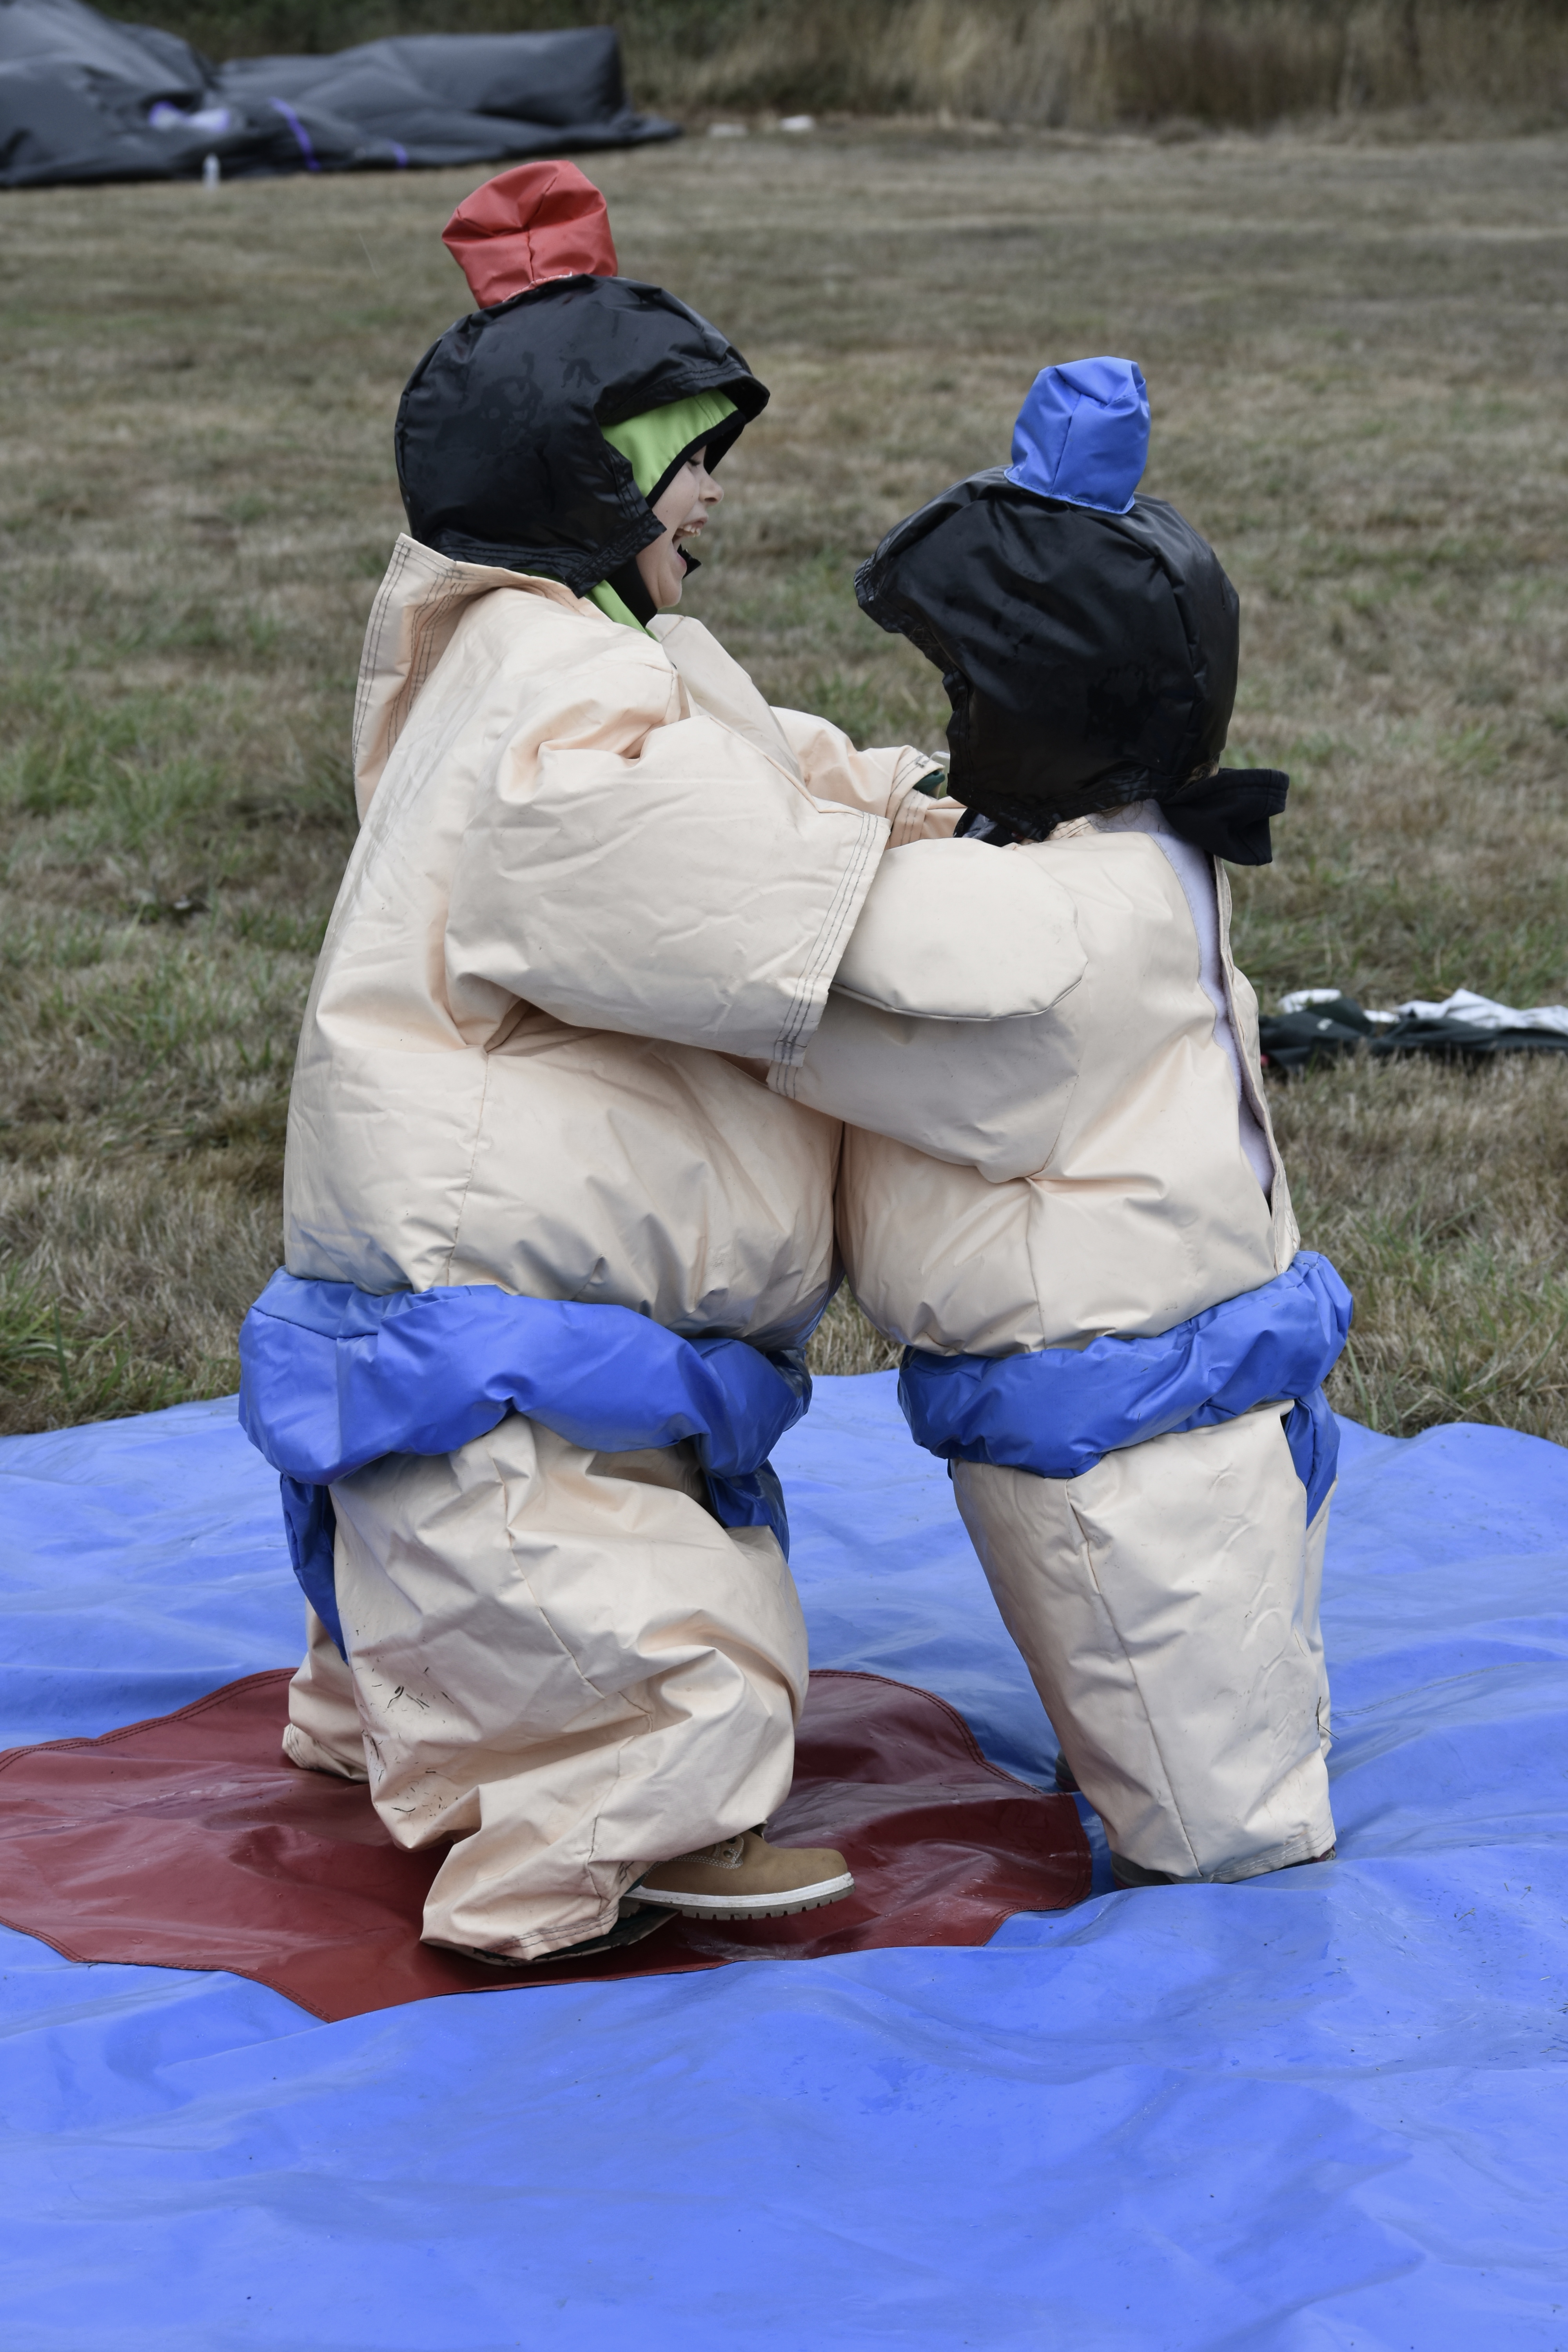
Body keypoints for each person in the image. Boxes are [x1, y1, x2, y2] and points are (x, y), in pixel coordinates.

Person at [238, 160, 958, 1965]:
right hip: (500, 1279)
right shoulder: (551, 696)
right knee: (634, 1620)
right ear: (584, 477)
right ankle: (592, 1821)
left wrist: (871, 794)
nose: (709, 496)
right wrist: (878, 885)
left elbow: (739, 762)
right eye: (680, 457)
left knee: (490, 1519)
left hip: (494, 1273)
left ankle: (380, 1704)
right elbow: (682, 889)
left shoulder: (558, 653)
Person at [779, 358, 1350, 1888]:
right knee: (1218, 1685)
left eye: (970, 694)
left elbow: (857, 957)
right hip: (1170, 1377)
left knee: (1220, 1814)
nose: (955, 724)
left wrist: (754, 868)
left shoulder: (1056, 919)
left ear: (1054, 701)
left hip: (1120, 1430)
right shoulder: (1142, 859)